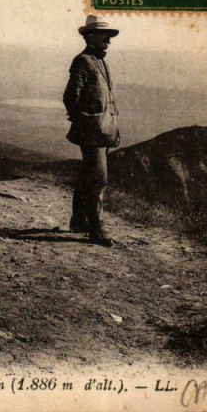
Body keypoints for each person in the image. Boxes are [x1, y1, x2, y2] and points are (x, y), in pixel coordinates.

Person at [62, 15, 120, 245]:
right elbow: (70, 96)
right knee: (98, 179)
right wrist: (84, 121)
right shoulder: (83, 60)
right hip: (93, 131)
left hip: (102, 130)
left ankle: (78, 221)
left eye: (109, 36)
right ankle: (96, 229)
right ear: (90, 35)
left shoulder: (100, 61)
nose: (108, 40)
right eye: (104, 35)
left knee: (88, 175)